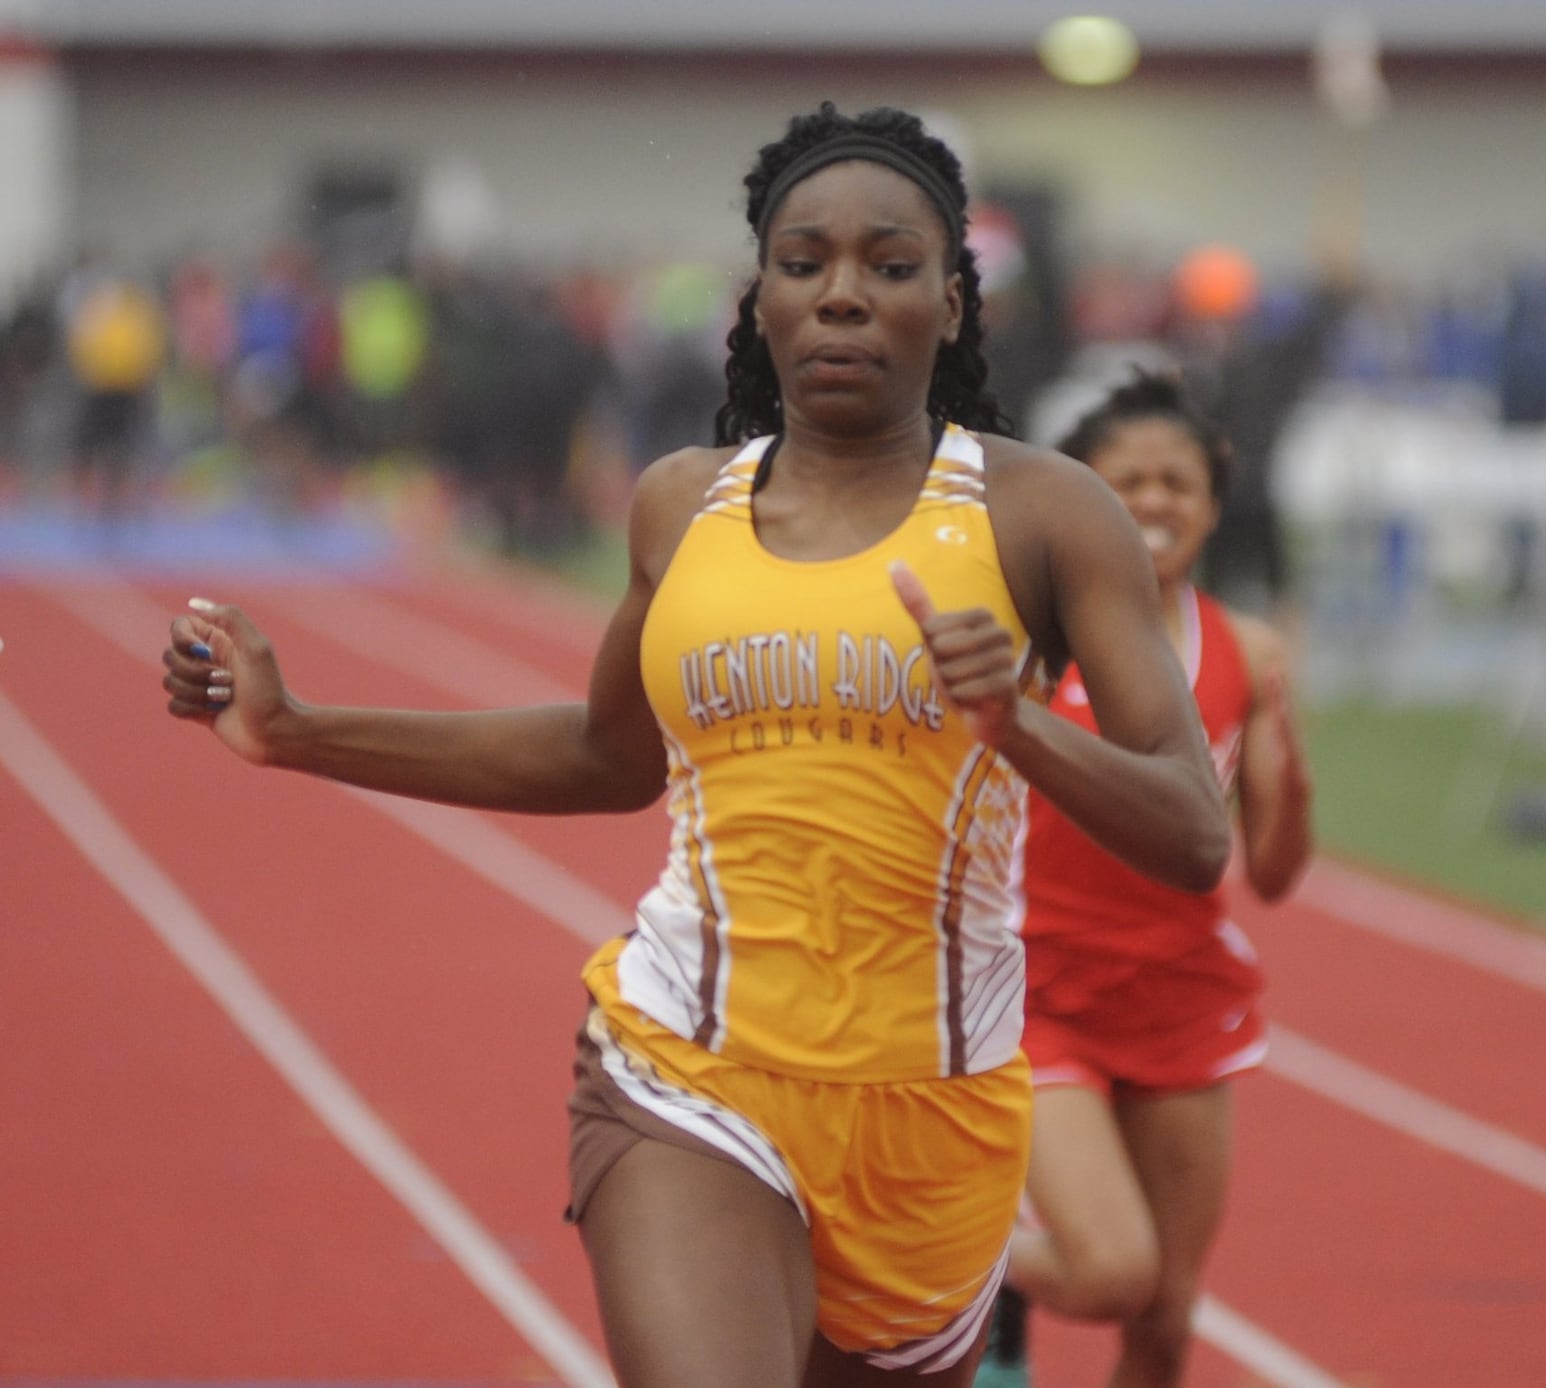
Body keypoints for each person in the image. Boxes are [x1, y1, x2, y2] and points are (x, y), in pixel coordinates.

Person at [161, 104, 1229, 1388]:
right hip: (688, 1064)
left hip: (934, 1116)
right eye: (803, 264)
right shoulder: (682, 504)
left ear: (950, 305)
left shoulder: (1045, 514)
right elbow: (603, 756)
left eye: (889, 267)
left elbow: (1192, 831)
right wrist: (295, 730)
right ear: (759, 299)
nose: (841, 295)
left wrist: (1019, 730)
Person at [977, 370, 1314, 1388]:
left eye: (1178, 481)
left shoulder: (1246, 651)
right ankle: (962, 1268)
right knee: (1113, 1267)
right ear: (1084, 497)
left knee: (1165, 1318)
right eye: (1127, 481)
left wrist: (1284, 747)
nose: (1156, 500)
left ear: (1212, 505)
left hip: (1177, 991)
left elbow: (1274, 868)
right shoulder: (1030, 639)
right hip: (1039, 989)